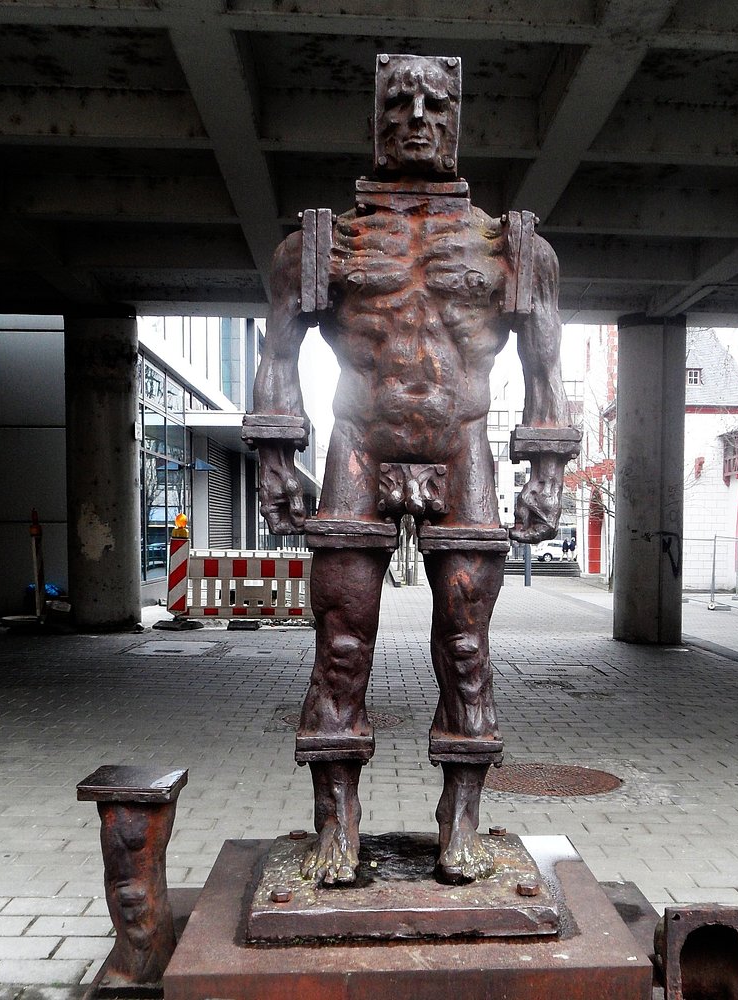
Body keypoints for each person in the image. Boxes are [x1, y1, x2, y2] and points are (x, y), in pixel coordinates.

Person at [243, 54, 579, 886]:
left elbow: (545, 367)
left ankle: (460, 818)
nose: (419, 116)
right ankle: (338, 821)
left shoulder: (512, 247)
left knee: (466, 643)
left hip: (464, 448)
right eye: (401, 100)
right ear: (376, 119)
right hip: (357, 445)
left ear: (458, 118)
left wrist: (546, 469)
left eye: (437, 101)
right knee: (341, 640)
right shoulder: (319, 244)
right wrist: (276, 457)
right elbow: (277, 353)